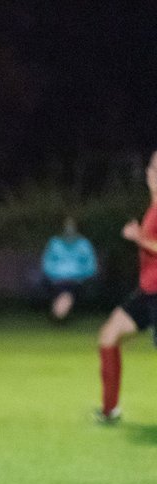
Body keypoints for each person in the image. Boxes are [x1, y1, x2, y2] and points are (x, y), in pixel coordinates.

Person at [96, 150, 157, 424]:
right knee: (109, 335)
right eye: (153, 166)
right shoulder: (152, 207)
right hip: (147, 294)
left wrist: (138, 236)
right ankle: (110, 411)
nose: (154, 172)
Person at [40, 215, 97, 320]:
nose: (69, 230)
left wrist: (78, 274)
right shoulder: (54, 243)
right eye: (67, 227)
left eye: (72, 227)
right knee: (63, 293)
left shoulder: (83, 244)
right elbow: (46, 264)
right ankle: (59, 316)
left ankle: (59, 316)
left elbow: (91, 266)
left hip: (78, 281)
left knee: (67, 294)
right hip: (56, 280)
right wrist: (57, 275)